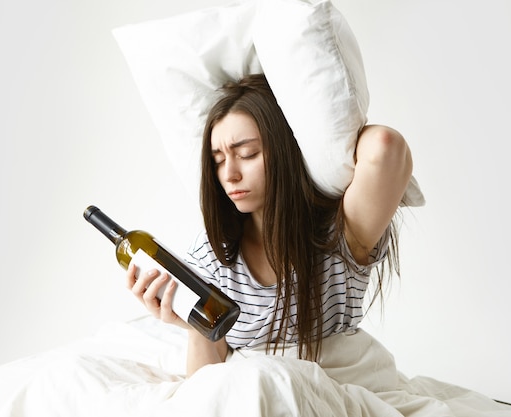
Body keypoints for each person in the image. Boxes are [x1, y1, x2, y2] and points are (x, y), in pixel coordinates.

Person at [126, 73, 413, 377]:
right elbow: (206, 386)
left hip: (334, 387)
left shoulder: (340, 234)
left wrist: (319, 136)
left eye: (247, 154)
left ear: (284, 148)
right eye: (219, 160)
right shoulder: (212, 255)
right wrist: (195, 325)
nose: (230, 174)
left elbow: (386, 147)